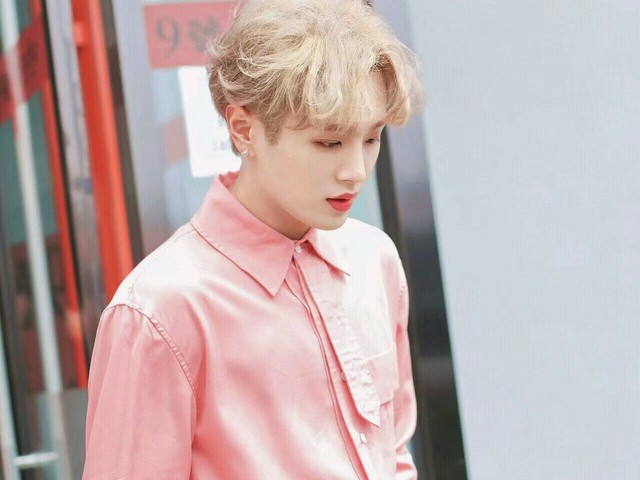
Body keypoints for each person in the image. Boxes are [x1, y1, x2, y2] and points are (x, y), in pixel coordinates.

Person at [82, 0, 423, 478]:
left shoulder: (374, 260)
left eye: (371, 138)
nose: (355, 171)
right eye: (329, 142)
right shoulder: (160, 311)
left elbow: (393, 452)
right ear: (244, 129)